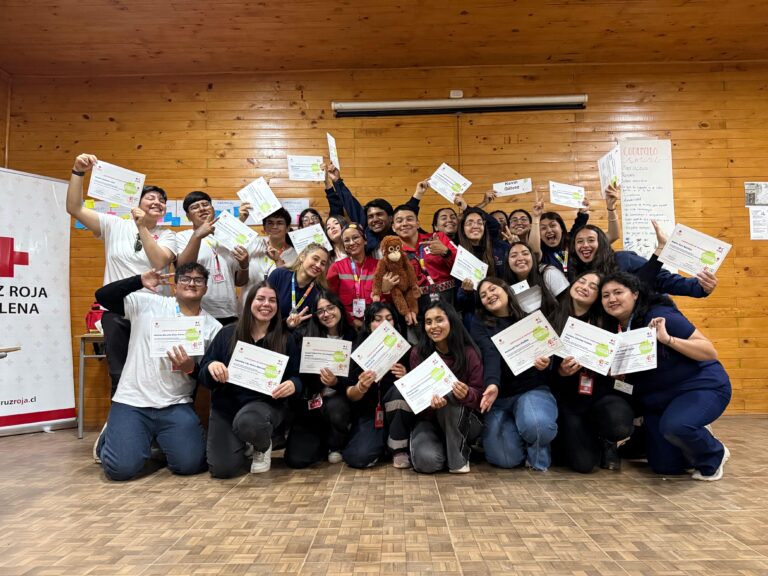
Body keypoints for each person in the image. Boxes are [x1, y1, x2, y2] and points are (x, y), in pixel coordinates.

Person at [93, 264, 222, 481]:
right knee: (120, 470)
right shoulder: (147, 303)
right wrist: (138, 281)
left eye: (198, 280)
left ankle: (156, 439)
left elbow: (207, 378)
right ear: (175, 285)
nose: (191, 283)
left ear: (206, 288)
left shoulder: (213, 328)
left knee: (189, 465)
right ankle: (110, 436)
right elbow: (103, 297)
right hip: (132, 401)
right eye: (185, 278)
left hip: (175, 404)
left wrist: (190, 368)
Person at [600, 271, 731, 480]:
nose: (612, 299)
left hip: (699, 387)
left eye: (618, 292)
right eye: (605, 295)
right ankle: (688, 437)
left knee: (677, 426)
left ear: (634, 294)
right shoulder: (614, 330)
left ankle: (714, 453)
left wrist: (668, 339)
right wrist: (616, 376)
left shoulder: (659, 316)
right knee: (665, 466)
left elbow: (708, 351)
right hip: (657, 401)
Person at [66, 153, 177, 396]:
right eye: (151, 197)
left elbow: (159, 261)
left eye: (162, 200)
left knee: (153, 373)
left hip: (153, 311)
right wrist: (78, 172)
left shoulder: (168, 235)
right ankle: (121, 428)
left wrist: (142, 226)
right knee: (119, 374)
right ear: (136, 203)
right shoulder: (113, 224)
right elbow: (74, 208)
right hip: (117, 310)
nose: (157, 202)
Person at [199, 282, 303, 477]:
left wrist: (293, 385)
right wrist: (211, 367)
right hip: (226, 408)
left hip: (264, 406)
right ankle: (246, 440)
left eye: (272, 300)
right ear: (249, 303)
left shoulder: (285, 338)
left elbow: (297, 377)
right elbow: (203, 374)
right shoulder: (227, 333)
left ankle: (262, 445)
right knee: (223, 470)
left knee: (249, 422)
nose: (266, 304)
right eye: (260, 299)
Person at [550, 271, 635, 473]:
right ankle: (589, 438)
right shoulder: (552, 318)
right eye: (581, 281)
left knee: (619, 424)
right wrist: (560, 372)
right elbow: (545, 377)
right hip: (569, 403)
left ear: (598, 296)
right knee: (583, 465)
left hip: (601, 396)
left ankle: (608, 440)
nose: (585, 286)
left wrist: (615, 371)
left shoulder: (608, 322)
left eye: (593, 286)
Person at [470, 277, 557, 470]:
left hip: (530, 389)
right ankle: (519, 433)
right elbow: (489, 353)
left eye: (493, 289)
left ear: (506, 289)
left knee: (536, 425)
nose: (489, 296)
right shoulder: (479, 323)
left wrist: (546, 363)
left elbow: (550, 352)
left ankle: (538, 459)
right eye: (483, 295)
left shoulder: (531, 317)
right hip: (500, 397)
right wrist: (492, 384)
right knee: (504, 459)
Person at [405, 302, 484, 474]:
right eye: (428, 322)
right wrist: (429, 403)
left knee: (449, 393)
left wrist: (467, 394)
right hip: (430, 421)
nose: (433, 326)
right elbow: (417, 399)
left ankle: (458, 460)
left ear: (452, 321)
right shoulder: (418, 353)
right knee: (427, 462)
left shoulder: (469, 353)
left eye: (439, 320)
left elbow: (480, 398)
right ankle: (443, 447)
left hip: (464, 421)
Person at [284, 291, 355, 468]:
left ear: (339, 308)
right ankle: (322, 442)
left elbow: (355, 378)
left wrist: (336, 382)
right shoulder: (306, 334)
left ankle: (336, 443)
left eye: (330, 308)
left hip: (340, 401)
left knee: (335, 407)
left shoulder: (353, 336)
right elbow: (293, 365)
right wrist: (290, 328)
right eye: (321, 311)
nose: (326, 314)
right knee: (297, 460)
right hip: (311, 401)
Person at [569, 223, 718, 298]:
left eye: (590, 240)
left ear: (602, 243)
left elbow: (662, 279)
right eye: (579, 241)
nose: (585, 245)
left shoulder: (623, 259)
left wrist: (699, 287)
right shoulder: (576, 274)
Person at [342, 303, 409, 469]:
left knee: (398, 392)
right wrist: (360, 387)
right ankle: (383, 444)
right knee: (357, 457)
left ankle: (397, 447)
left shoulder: (406, 350)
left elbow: (419, 390)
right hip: (371, 415)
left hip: (400, 416)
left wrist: (407, 377)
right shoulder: (358, 352)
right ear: (368, 324)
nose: (383, 324)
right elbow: (350, 394)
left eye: (389, 319)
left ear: (395, 322)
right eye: (377, 320)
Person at [176, 191, 249, 324]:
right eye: (195, 207)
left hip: (229, 312)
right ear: (188, 216)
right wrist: (197, 235)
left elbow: (239, 282)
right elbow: (182, 269)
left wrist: (245, 265)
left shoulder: (230, 238)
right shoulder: (183, 237)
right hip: (195, 311)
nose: (202, 208)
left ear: (213, 209)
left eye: (205, 204)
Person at [322, 163, 424, 257]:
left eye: (379, 214)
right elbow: (351, 204)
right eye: (370, 216)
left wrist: (418, 194)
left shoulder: (399, 232)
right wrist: (337, 181)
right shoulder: (367, 232)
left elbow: (406, 212)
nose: (374, 219)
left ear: (390, 218)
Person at [392, 203, 458, 314]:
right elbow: (397, 288)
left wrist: (447, 253)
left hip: (449, 300)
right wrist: (406, 311)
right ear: (393, 227)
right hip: (417, 305)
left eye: (409, 219)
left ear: (418, 224)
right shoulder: (394, 253)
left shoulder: (438, 238)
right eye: (399, 221)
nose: (404, 224)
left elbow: (463, 267)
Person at [327, 223, 394, 326]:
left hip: (376, 325)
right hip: (346, 325)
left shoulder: (379, 266)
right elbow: (332, 302)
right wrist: (352, 321)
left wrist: (385, 291)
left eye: (355, 237)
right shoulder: (336, 268)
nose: (351, 243)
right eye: (346, 240)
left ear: (365, 240)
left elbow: (390, 302)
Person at [237, 207, 297, 310]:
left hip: (275, 308)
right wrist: (241, 219)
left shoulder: (295, 254)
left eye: (279, 223)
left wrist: (278, 261)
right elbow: (230, 238)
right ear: (264, 227)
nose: (274, 226)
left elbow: (290, 284)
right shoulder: (253, 244)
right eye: (270, 223)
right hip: (247, 306)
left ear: (287, 228)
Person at [267, 243, 330, 328]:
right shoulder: (279, 275)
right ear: (302, 257)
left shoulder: (320, 292)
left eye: (323, 263)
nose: (318, 265)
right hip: (268, 332)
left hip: (298, 338)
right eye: (315, 259)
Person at [503, 241, 567, 316]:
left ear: (532, 257)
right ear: (507, 262)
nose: (520, 258)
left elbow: (567, 304)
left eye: (525, 253)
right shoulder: (507, 288)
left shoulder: (548, 272)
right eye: (514, 256)